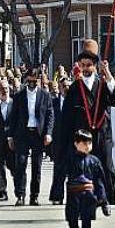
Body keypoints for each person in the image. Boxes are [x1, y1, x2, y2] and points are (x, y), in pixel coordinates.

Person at [63, 40, 115, 208]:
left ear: (95, 66)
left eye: (89, 65)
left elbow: (114, 101)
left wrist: (108, 74)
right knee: (83, 169)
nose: (86, 68)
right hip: (82, 136)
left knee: (107, 168)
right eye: (83, 65)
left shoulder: (103, 84)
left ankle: (107, 199)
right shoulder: (74, 87)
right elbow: (67, 117)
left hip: (102, 133)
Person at [8, 68, 55, 206]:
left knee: (37, 166)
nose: (32, 82)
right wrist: (10, 136)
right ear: (26, 79)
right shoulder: (19, 96)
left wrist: (48, 133)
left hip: (38, 135)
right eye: (30, 79)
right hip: (22, 134)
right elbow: (13, 117)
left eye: (35, 80)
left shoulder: (45, 96)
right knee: (20, 164)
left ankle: (34, 196)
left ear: (39, 80)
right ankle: (20, 195)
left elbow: (50, 115)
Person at [65, 130, 109, 228]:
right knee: (72, 216)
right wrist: (57, 191)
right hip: (73, 191)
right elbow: (60, 175)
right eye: (84, 143)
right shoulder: (69, 159)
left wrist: (103, 200)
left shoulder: (94, 161)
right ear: (76, 144)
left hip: (88, 192)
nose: (87, 146)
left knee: (87, 215)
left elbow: (99, 181)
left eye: (89, 143)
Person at [49, 76, 72, 205]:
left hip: (72, 141)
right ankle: (57, 196)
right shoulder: (53, 103)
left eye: (69, 86)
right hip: (58, 141)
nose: (66, 88)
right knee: (58, 169)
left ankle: (73, 198)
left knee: (73, 170)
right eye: (64, 86)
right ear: (60, 87)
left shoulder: (75, 101)